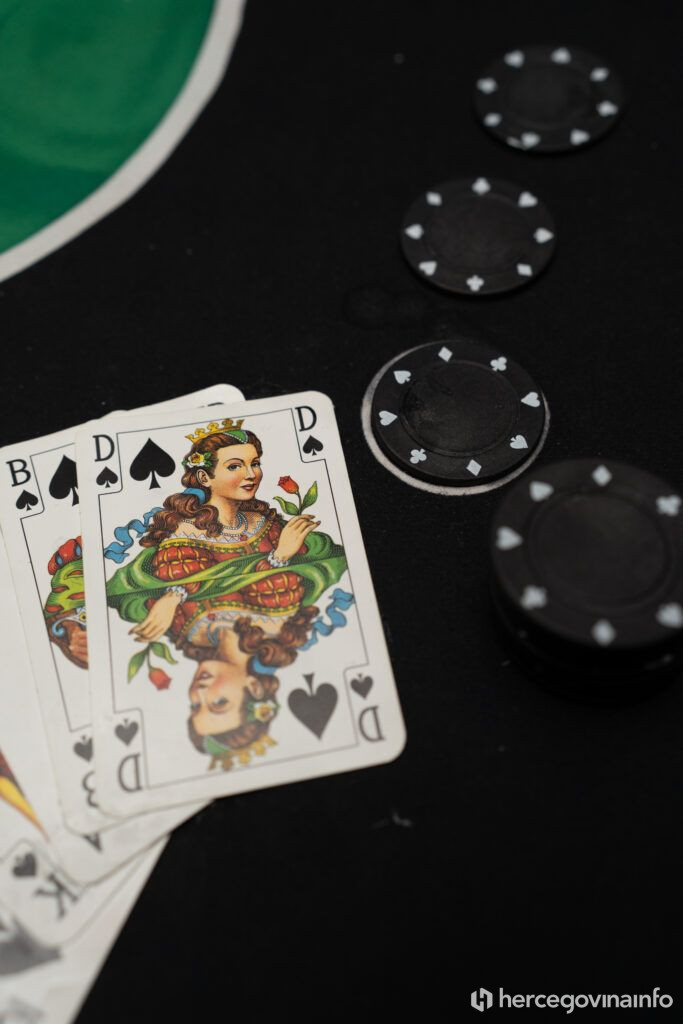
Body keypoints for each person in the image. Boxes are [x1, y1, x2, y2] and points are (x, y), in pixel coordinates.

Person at [105, 419, 349, 769]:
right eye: (218, 704)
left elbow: (189, 576)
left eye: (255, 463)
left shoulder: (182, 629)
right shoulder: (278, 624)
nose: (199, 693)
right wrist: (279, 557)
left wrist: (176, 596)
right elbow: (277, 584)